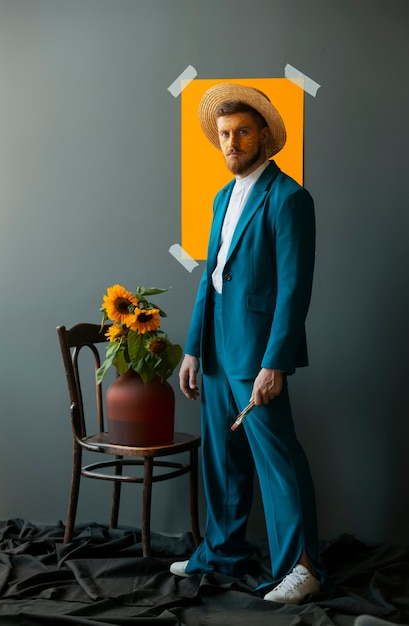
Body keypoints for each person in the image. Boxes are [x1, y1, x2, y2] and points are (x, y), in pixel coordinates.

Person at [170, 83, 325, 604]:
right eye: (224, 134)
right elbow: (211, 277)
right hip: (214, 350)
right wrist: (192, 348)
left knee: (277, 458)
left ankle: (303, 568)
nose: (232, 142)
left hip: (257, 354)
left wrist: (275, 361)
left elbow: (293, 287)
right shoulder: (221, 197)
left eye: (241, 132)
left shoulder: (289, 198)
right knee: (223, 459)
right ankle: (221, 551)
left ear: (263, 136)